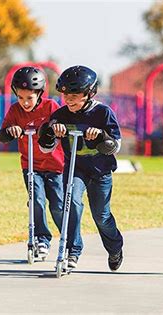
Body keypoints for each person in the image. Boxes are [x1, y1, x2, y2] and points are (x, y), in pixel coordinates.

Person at [38, 65, 124, 271]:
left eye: (74, 95)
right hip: (75, 169)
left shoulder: (103, 113)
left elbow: (116, 146)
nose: (68, 99)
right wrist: (51, 133)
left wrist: (102, 137)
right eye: (65, 94)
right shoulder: (61, 116)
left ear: (89, 93)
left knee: (101, 216)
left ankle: (115, 248)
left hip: (100, 172)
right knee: (72, 203)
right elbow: (45, 147)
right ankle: (72, 250)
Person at [0, 66, 65, 257]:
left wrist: (54, 127)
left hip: (56, 166)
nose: (24, 102)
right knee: (36, 200)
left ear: (39, 94)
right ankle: (41, 239)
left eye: (29, 98)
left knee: (58, 205)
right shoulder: (15, 111)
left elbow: (61, 126)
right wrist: (11, 131)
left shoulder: (51, 107)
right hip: (31, 166)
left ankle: (67, 238)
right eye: (20, 97)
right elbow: (2, 135)